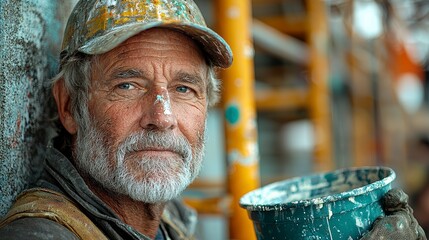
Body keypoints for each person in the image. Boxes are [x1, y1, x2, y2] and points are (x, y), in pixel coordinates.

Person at [0, 0, 425, 240]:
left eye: (184, 89)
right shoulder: (40, 237)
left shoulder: (166, 223)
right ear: (70, 107)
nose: (162, 118)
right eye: (128, 85)